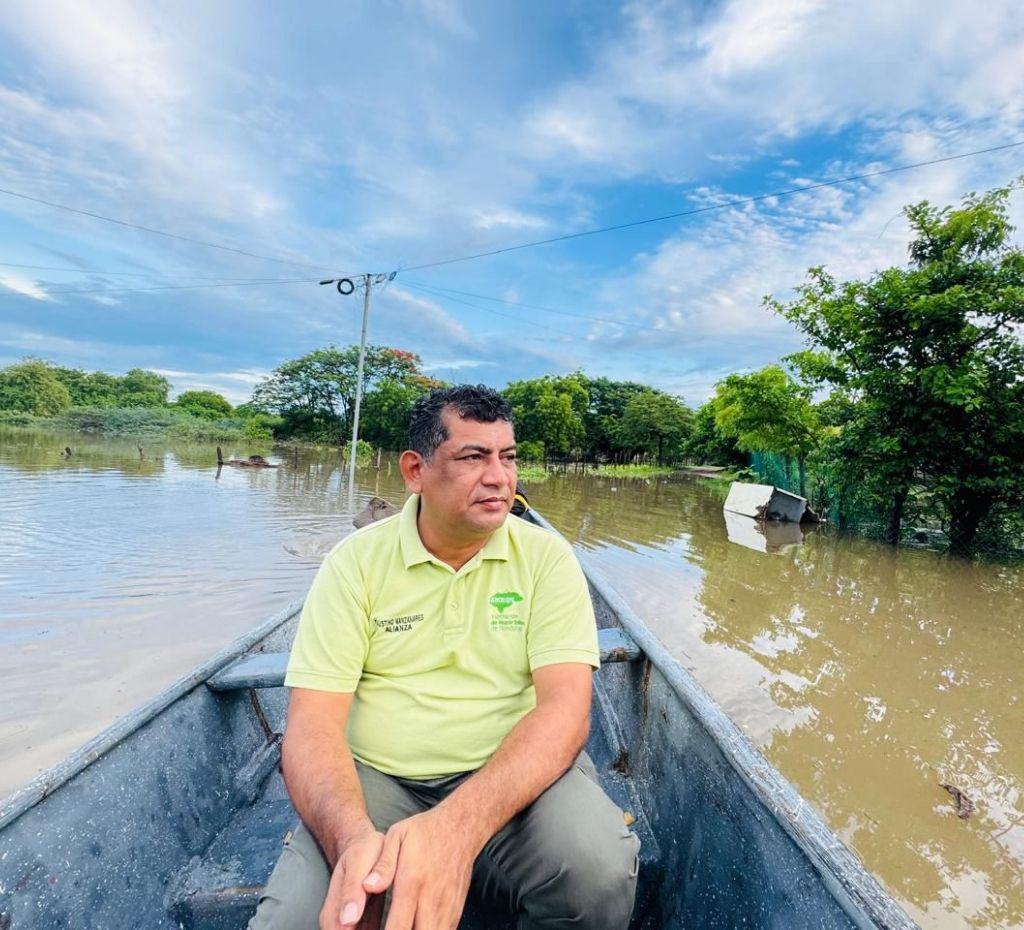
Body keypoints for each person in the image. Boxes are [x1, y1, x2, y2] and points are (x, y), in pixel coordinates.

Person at [249, 385, 639, 930]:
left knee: (597, 872)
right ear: (415, 470)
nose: (501, 478)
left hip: (516, 772)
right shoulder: (354, 564)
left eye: (509, 457)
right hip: (380, 779)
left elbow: (565, 711)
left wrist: (456, 827)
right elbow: (312, 726)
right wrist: (356, 840)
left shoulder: (547, 559)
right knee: (301, 920)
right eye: (473, 457)